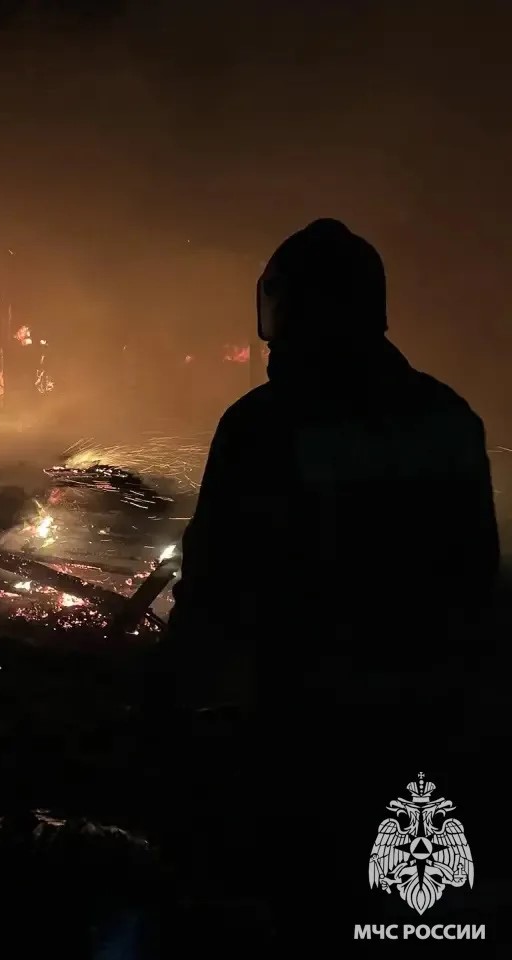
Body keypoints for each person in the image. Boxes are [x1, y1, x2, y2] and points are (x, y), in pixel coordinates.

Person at [156, 219, 501, 950]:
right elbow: (477, 577)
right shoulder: (448, 417)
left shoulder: (263, 425)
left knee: (304, 907)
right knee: (413, 919)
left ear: (286, 312)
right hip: (431, 720)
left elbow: (215, 576)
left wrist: (182, 697)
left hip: (304, 719)